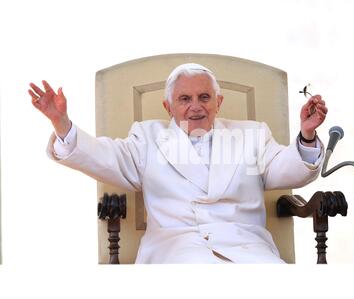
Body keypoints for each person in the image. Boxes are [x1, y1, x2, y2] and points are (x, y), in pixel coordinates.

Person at [28, 63, 328, 264]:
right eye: (184, 98)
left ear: (218, 102)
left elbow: (284, 169)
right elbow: (102, 157)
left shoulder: (251, 134)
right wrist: (61, 122)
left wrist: (306, 134)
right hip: (176, 250)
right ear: (168, 106)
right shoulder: (147, 137)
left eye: (204, 97)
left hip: (247, 249)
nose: (195, 106)